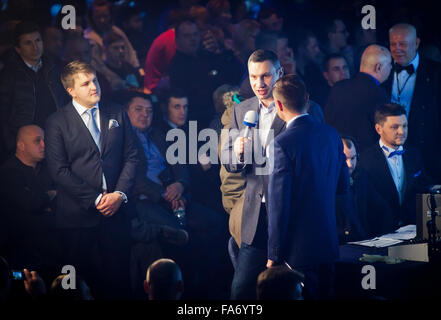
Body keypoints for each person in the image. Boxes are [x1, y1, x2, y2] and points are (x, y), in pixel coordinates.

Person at [44, 60, 139, 299]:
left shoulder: (117, 111)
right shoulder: (56, 122)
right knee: (80, 285)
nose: (93, 86)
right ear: (71, 91)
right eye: (85, 83)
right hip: (77, 218)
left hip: (116, 214)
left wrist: (119, 194)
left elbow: (133, 157)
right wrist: (97, 199)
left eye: (94, 80)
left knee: (119, 283)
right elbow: (58, 171)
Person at [267, 74, 349, 300]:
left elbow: (278, 205)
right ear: (307, 98)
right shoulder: (331, 134)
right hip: (329, 243)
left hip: (298, 251)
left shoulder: (282, 144)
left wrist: (274, 252)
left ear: (279, 105)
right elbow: (343, 186)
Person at [221, 49, 285, 299]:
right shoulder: (242, 110)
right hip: (256, 216)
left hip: (290, 214)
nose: (259, 83)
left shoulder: (300, 107)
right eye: (253, 76)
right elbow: (227, 161)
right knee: (240, 292)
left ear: (280, 73)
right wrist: (237, 153)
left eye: (266, 76)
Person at [359, 103, 436, 235]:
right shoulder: (365, 160)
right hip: (378, 234)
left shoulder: (414, 154)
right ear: (378, 129)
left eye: (404, 126)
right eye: (395, 127)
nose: (402, 131)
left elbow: (422, 184)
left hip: (412, 230)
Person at [383, 23, 441, 181]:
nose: (397, 49)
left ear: (416, 43)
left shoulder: (435, 73)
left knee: (427, 202)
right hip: (390, 152)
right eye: (393, 44)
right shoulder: (383, 70)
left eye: (402, 44)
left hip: (427, 152)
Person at [0, 21, 66, 159]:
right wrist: (12, 144)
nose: (35, 47)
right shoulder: (9, 75)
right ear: (18, 49)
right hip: (23, 145)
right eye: (28, 43)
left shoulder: (54, 68)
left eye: (38, 40)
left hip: (54, 139)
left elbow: (63, 101)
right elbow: (3, 114)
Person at [0, 125, 57, 274]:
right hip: (21, 251)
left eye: (44, 140)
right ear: (21, 145)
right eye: (37, 141)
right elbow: (31, 203)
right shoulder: (8, 172)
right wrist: (49, 196)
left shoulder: (47, 169)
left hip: (48, 248)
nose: (44, 145)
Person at [168, 19, 244, 129]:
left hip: (223, 113)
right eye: (186, 36)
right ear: (177, 39)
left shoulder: (208, 56)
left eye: (195, 34)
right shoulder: (177, 66)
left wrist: (224, 49)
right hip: (198, 123)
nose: (192, 39)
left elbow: (235, 74)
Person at [325, 44, 392, 152]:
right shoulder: (379, 94)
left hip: (338, 154)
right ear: (378, 67)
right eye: (389, 64)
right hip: (367, 159)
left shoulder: (338, 87)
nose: (391, 68)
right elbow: (384, 133)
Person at [336, 136, 391, 241]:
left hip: (364, 241)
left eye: (353, 158)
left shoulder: (361, 177)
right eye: (344, 159)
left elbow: (381, 208)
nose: (349, 164)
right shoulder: (327, 185)